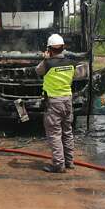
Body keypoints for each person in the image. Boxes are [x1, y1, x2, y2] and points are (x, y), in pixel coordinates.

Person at [35, 34, 75, 173]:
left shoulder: (47, 64)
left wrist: (45, 59)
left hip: (54, 102)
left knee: (54, 133)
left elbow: (38, 71)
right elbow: (77, 75)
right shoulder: (71, 62)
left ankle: (58, 164)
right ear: (63, 47)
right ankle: (69, 161)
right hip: (67, 100)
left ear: (49, 49)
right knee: (68, 131)